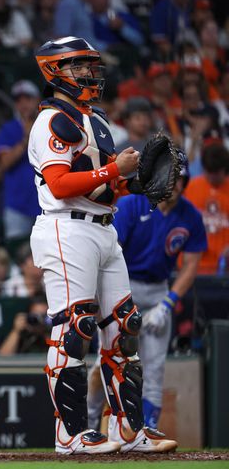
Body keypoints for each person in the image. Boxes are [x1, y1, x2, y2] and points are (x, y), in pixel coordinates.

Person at [28, 36, 176, 454]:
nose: (90, 74)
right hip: (65, 228)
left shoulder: (95, 118)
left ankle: (128, 431)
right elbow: (58, 185)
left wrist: (136, 183)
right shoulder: (52, 120)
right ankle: (70, 434)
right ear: (55, 71)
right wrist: (114, 169)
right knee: (75, 329)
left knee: (124, 327)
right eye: (80, 66)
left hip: (102, 228)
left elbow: (103, 186)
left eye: (91, 66)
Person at [87, 149, 206, 431]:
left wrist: (168, 302)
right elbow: (111, 254)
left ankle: (146, 427)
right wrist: (110, 299)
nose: (174, 184)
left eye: (179, 179)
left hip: (157, 292)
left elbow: (191, 265)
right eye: (169, 177)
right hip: (123, 286)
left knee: (153, 368)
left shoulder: (189, 215)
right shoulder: (132, 205)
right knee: (105, 362)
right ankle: (90, 420)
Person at [0, 80, 42, 240]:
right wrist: (26, 139)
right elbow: (4, 163)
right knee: (16, 253)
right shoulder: (9, 129)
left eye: (27, 99)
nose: (23, 104)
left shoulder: (48, 126)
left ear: (37, 100)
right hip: (17, 204)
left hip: (45, 204)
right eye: (18, 100)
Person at [183, 144, 229, 274]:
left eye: (217, 173)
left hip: (223, 269)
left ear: (225, 169)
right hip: (191, 266)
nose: (212, 177)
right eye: (209, 172)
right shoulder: (189, 188)